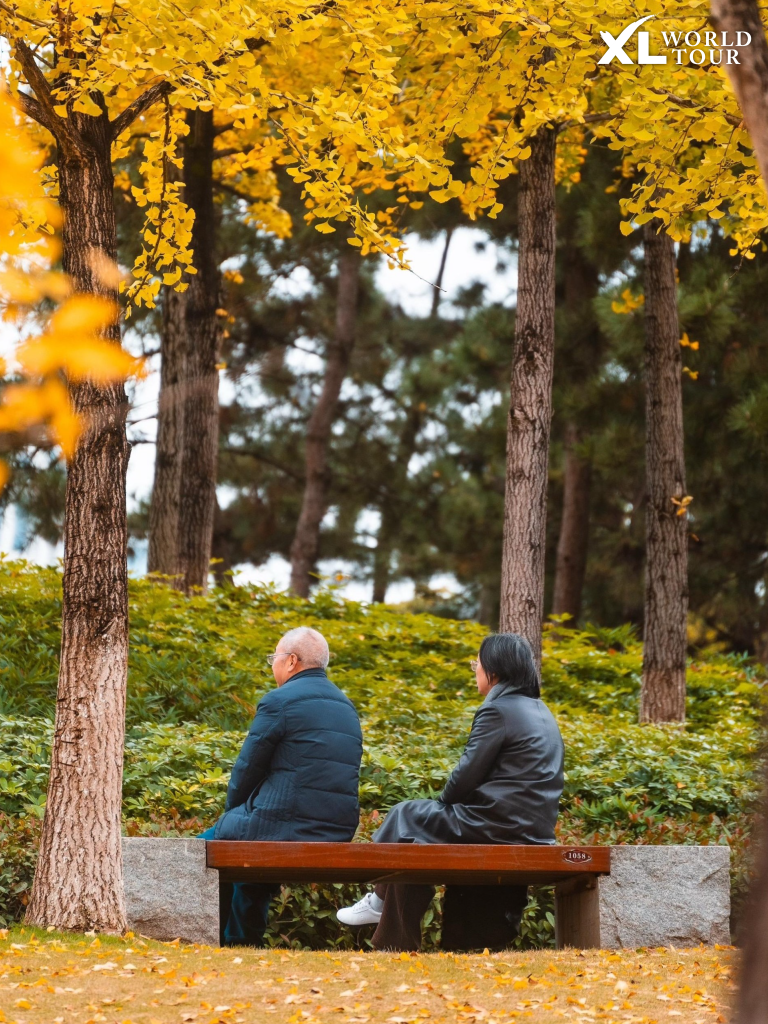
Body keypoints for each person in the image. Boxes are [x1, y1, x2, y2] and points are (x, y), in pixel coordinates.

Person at [336, 631, 564, 952]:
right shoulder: (542, 713)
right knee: (413, 843)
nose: (475, 671)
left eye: (477, 664)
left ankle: (378, 899)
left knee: (407, 814)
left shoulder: (497, 710)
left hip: (497, 826)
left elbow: (464, 777)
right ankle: (392, 940)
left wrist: (442, 805)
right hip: (534, 830)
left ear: (493, 671)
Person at [200, 626, 363, 946]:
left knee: (201, 850)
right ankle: (241, 939)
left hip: (285, 824)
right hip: (335, 830)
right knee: (251, 841)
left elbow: (247, 768)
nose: (272, 664)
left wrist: (232, 811)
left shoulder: (280, 701)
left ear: (291, 661)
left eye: (273, 658)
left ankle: (221, 939)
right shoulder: (346, 707)